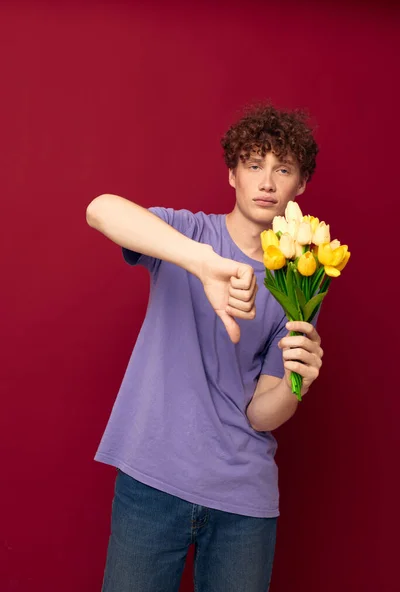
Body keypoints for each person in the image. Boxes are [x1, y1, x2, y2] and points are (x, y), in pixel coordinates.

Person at [86, 104, 323, 592]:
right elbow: (100, 209)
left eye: (283, 169)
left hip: (243, 500)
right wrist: (201, 263)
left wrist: (299, 382)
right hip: (151, 481)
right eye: (254, 164)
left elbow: (262, 413)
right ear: (232, 174)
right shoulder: (188, 235)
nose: (267, 181)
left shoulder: (300, 279)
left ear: (300, 186)